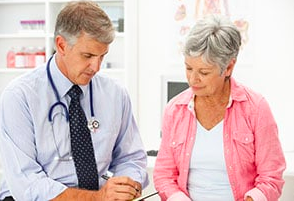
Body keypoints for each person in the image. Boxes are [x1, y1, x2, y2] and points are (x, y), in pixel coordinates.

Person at [0, 1, 148, 201]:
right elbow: (27, 184)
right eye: (87, 55)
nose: (96, 67)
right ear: (61, 45)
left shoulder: (115, 94)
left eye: (102, 56)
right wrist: (98, 198)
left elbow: (131, 158)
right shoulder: (20, 97)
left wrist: (127, 183)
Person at [153, 14, 286, 201]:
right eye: (189, 68)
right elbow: (164, 175)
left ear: (229, 67)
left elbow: (271, 178)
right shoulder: (174, 110)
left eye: (204, 72)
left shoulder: (256, 108)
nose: (192, 79)